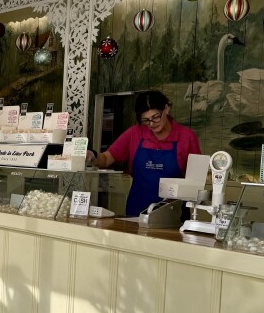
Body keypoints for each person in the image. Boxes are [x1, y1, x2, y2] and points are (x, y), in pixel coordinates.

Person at [86, 89, 201, 217]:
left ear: (166, 109)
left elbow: (196, 181)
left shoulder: (187, 137)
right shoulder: (135, 133)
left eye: (155, 117)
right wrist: (92, 156)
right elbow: (106, 158)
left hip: (173, 215)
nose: (151, 124)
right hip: (137, 212)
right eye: (145, 120)